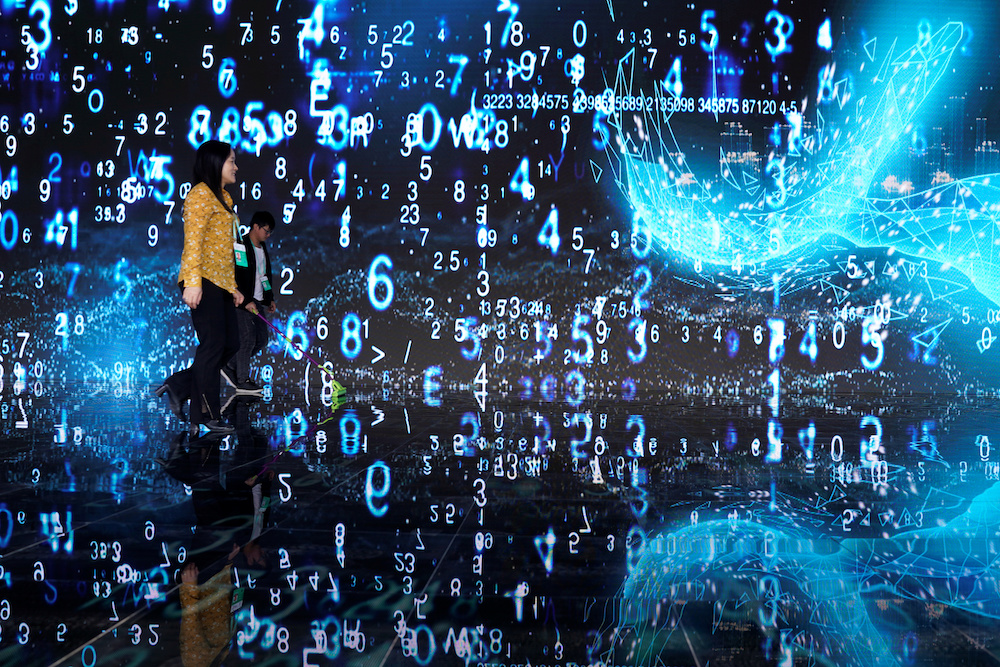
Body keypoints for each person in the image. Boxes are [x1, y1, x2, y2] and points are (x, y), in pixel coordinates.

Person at [156, 140, 243, 434]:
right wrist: (192, 282)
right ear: (216, 164)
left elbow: (226, 250)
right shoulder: (200, 196)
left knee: (232, 343)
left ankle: (179, 385)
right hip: (201, 279)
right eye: (231, 161)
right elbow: (193, 243)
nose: (235, 166)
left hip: (220, 281)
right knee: (212, 345)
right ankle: (204, 413)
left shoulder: (225, 199)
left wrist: (232, 287)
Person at [221, 211, 276, 394]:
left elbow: (264, 276)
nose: (268, 235)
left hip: (258, 302)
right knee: (247, 339)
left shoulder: (263, 249)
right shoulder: (241, 246)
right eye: (266, 231)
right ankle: (242, 379)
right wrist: (245, 301)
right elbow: (238, 276)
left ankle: (230, 364)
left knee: (261, 340)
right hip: (243, 301)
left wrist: (269, 298)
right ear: (256, 227)